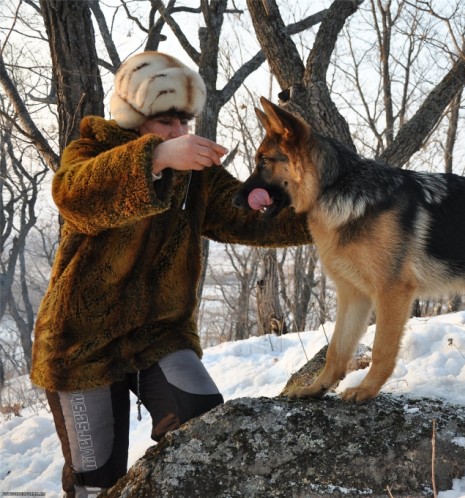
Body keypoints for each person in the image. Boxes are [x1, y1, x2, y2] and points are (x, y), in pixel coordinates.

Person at [30, 51, 310, 498]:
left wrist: (322, 214)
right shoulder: (91, 148)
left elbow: (240, 216)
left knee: (206, 428)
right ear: (136, 118)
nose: (180, 132)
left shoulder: (196, 173)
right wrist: (156, 159)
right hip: (81, 345)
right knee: (96, 482)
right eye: (166, 122)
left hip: (158, 336)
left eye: (184, 121)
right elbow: (73, 196)